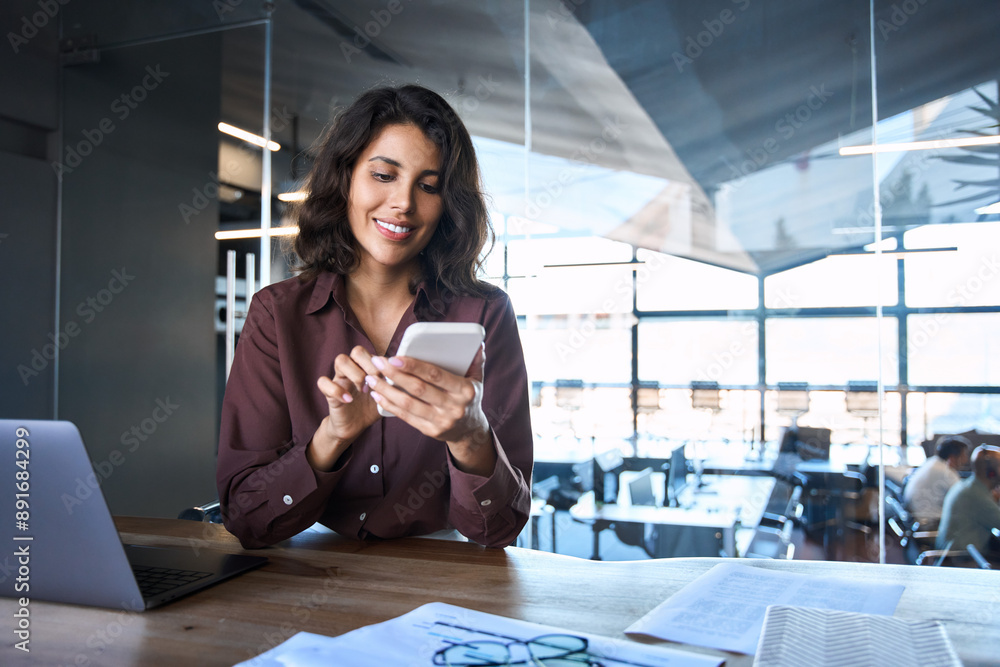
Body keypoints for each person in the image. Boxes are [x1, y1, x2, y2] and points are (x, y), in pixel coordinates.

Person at [216, 85, 533, 549]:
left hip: (443, 577)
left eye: (429, 186)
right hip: (307, 569)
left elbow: (500, 528)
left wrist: (469, 436)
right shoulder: (276, 314)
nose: (404, 202)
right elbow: (245, 517)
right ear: (345, 178)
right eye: (384, 175)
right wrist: (332, 437)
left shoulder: (484, 312)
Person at [936, 445, 1000, 559]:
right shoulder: (977, 496)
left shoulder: (969, 486)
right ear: (991, 472)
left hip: (954, 553)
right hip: (963, 560)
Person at [902, 435, 971, 526]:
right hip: (928, 522)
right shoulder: (946, 473)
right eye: (964, 455)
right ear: (953, 457)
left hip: (915, 518)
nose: (966, 459)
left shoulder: (932, 462)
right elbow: (964, 499)